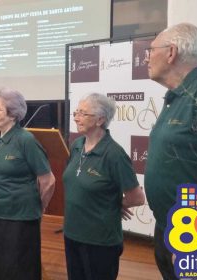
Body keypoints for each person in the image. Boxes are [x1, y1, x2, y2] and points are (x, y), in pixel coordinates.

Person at [144, 23, 197, 280]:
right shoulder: (175, 97)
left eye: (150, 50)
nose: (146, 57)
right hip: (169, 225)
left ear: (171, 52)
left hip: (195, 230)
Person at [63, 93, 145, 280]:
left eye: (83, 114)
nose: (76, 117)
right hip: (72, 234)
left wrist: (115, 205)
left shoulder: (114, 154)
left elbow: (137, 197)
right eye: (76, 112)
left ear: (100, 119)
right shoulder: (76, 146)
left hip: (100, 240)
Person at [0, 87, 55, 280]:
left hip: (22, 216)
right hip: (0, 213)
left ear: (13, 114)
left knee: (22, 267)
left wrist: (39, 207)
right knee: (3, 265)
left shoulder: (26, 140)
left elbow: (48, 180)